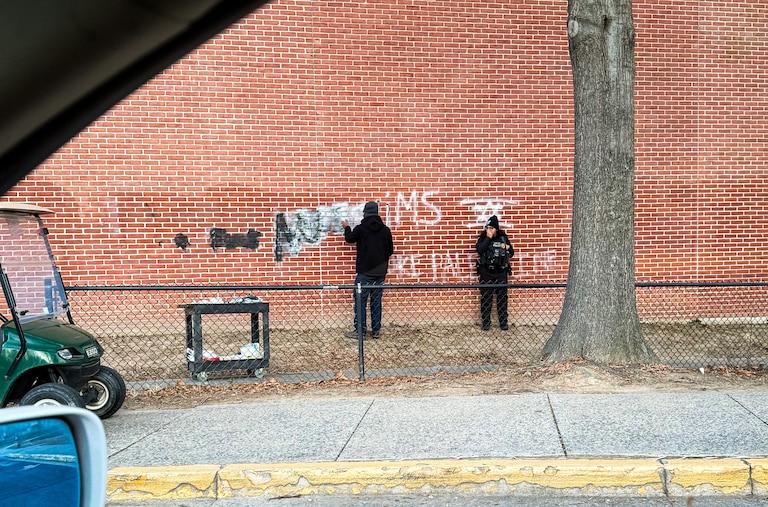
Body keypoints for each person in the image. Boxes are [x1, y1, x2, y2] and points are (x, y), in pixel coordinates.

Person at [342, 201, 394, 339]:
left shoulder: (361, 228)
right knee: (376, 301)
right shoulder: (386, 230)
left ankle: (360, 331)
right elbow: (390, 251)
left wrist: (347, 228)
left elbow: (349, 239)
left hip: (365, 272)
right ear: (377, 213)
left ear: (365, 212)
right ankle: (376, 330)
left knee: (360, 301)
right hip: (380, 273)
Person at [475, 215, 513, 331]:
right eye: (487, 228)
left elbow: (511, 253)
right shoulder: (483, 238)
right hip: (487, 272)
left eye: (491, 228)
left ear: (496, 229)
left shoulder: (502, 238)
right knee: (486, 298)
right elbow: (480, 250)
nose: (489, 230)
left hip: (501, 272)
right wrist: (488, 238)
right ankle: (486, 323)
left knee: (502, 298)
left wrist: (507, 247)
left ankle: (503, 323)